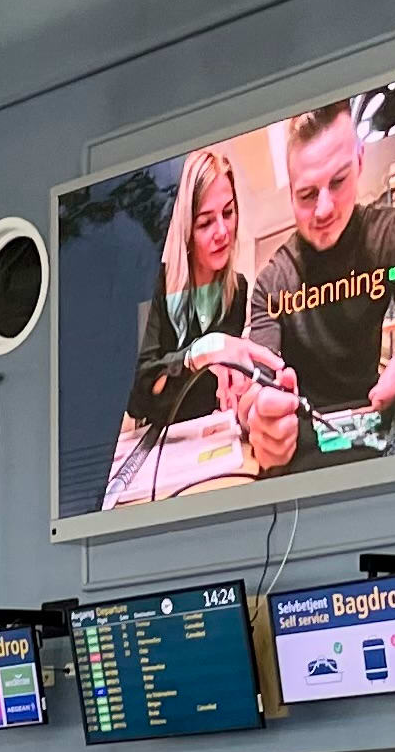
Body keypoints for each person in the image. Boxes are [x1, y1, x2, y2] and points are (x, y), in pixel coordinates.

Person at [112, 142, 304, 499]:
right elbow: (138, 396)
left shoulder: (238, 289)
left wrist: (240, 388)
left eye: (228, 213)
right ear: (186, 228)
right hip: (163, 455)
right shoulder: (153, 285)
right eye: (205, 222)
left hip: (214, 449)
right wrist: (199, 353)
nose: (222, 232)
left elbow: (223, 387)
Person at [252, 93, 395, 425]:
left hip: (373, 411)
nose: (324, 210)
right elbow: (259, 382)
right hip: (300, 423)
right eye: (307, 194)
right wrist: (258, 408)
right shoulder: (271, 283)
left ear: (359, 161)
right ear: (291, 193)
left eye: (338, 182)